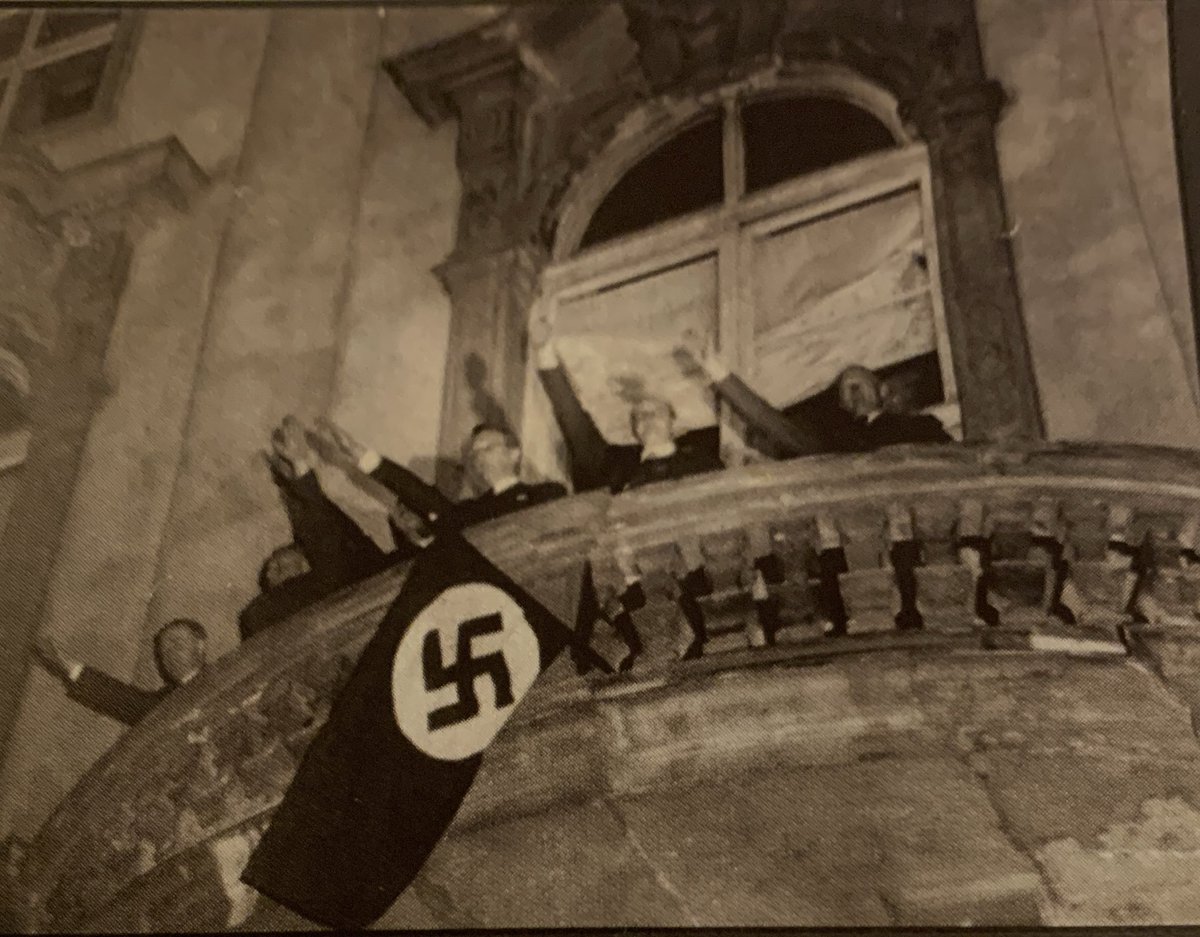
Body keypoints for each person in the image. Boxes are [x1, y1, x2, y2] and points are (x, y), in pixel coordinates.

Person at [239, 418, 415, 641]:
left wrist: (296, 476)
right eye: (274, 569)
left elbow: (330, 533)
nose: (277, 569)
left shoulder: (359, 566)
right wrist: (297, 472)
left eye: (281, 562)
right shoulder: (264, 612)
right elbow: (325, 537)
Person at [531, 318, 724, 494]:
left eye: (657, 412)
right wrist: (544, 351)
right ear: (634, 430)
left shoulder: (702, 464)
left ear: (674, 423)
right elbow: (573, 422)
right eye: (639, 415)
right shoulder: (616, 467)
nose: (648, 418)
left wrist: (714, 367)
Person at [312, 418, 566, 533]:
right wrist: (362, 455)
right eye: (474, 453)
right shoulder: (469, 512)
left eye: (488, 448)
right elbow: (421, 494)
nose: (479, 457)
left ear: (514, 454)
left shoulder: (548, 494)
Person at [35, 619, 208, 727]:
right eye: (164, 651)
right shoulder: (164, 702)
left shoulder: (224, 675)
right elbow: (123, 700)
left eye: (177, 644)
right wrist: (69, 666)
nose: (170, 653)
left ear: (200, 645)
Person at [837, 364, 953, 450]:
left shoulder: (917, 425)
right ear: (843, 404)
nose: (855, 392)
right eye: (846, 389)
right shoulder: (847, 442)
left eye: (858, 385)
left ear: (882, 390)